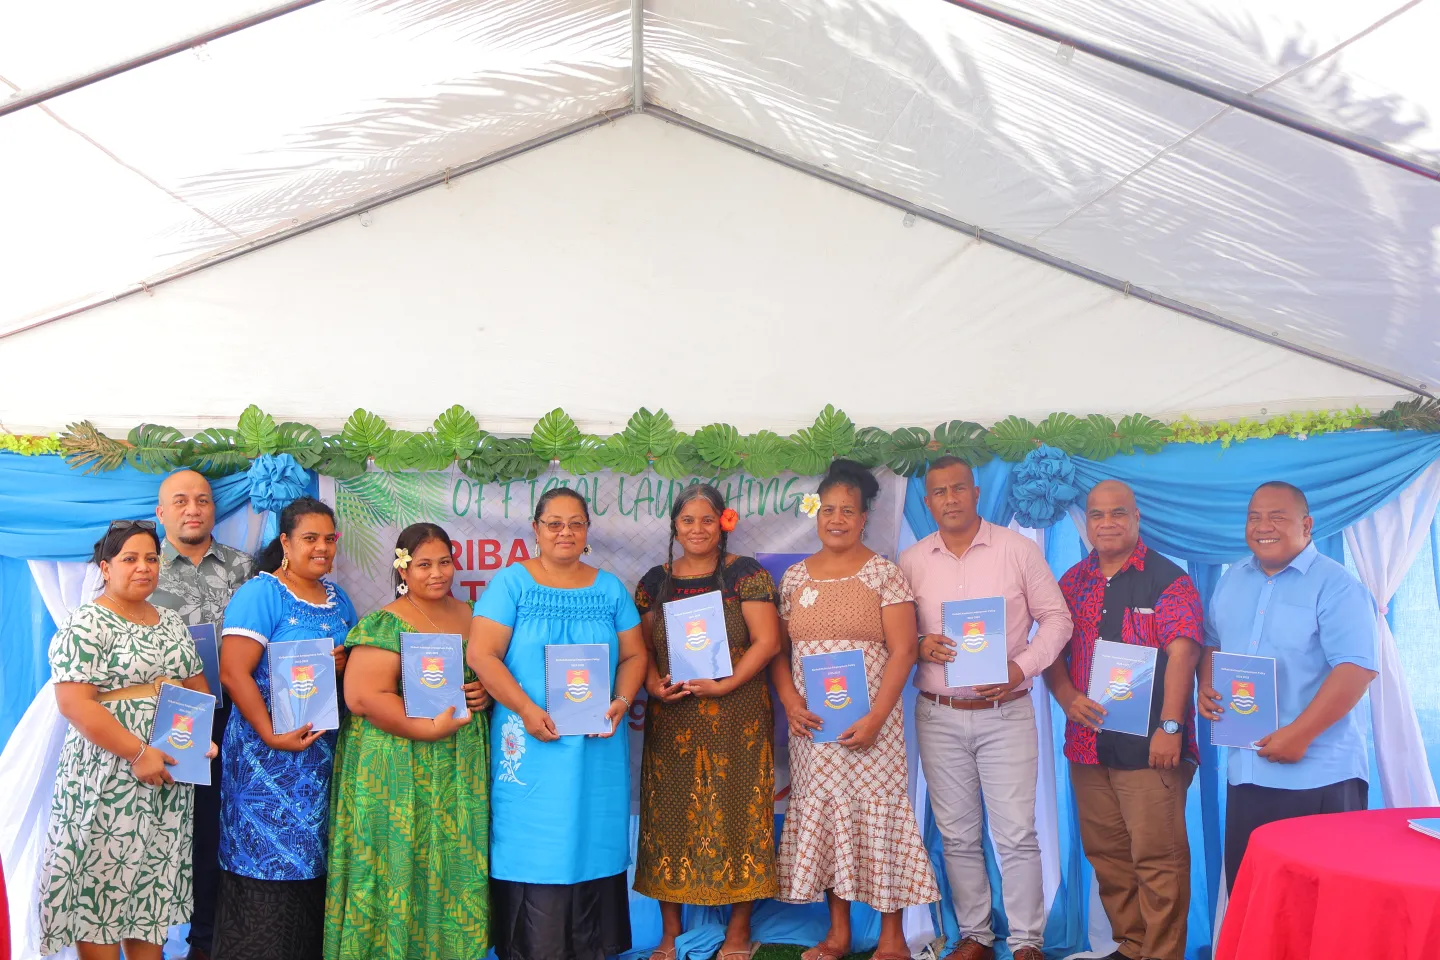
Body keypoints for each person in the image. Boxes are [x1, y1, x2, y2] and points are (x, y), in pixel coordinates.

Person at [899, 457, 1071, 960]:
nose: (949, 499)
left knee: (1016, 833)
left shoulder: (1017, 551)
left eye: (958, 489)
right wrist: (918, 641)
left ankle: (1026, 942)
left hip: (1007, 712)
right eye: (938, 492)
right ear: (927, 502)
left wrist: (1020, 669)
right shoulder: (910, 562)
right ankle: (974, 935)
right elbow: (893, 633)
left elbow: (1057, 620)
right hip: (938, 711)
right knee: (956, 834)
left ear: (976, 493)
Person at [467, 487, 648, 960]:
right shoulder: (511, 585)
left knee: (591, 837)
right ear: (536, 528)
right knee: (532, 841)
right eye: (554, 523)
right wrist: (526, 710)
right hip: (531, 742)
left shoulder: (609, 588)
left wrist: (621, 699)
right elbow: (481, 654)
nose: (565, 532)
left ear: (587, 531)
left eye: (575, 523)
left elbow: (634, 654)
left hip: (596, 744)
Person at [771, 459, 938, 960]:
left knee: (879, 821)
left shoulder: (884, 574)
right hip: (814, 731)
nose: (836, 519)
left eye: (847, 510)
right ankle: (837, 935)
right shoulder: (795, 578)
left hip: (875, 728)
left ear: (865, 517)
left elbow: (905, 651)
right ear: (816, 516)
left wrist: (876, 719)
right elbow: (779, 652)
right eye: (827, 510)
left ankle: (892, 939)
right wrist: (790, 700)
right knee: (828, 822)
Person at [37, 520, 218, 959]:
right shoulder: (86, 623)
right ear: (106, 567)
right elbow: (75, 704)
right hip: (107, 779)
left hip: (166, 784)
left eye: (151, 558)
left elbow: (198, 691)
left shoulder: (173, 622)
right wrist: (139, 752)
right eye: (130, 559)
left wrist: (201, 740)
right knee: (99, 895)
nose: (143, 567)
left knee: (148, 899)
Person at [1046, 481, 1203, 960]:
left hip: (1152, 745)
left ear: (1136, 518)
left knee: (1159, 861)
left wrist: (1171, 727)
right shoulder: (1072, 581)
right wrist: (1067, 695)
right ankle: (1132, 947)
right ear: (1086, 522)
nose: (1107, 523)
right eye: (1097, 515)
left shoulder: (1168, 579)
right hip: (1088, 744)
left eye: (1118, 514)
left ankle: (1162, 954)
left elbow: (1185, 652)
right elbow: (1051, 648)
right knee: (1108, 857)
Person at [325, 523, 493, 960]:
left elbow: (494, 675)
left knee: (453, 863)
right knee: (397, 861)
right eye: (423, 565)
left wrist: (486, 692)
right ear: (403, 569)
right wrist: (428, 729)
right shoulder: (385, 622)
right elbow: (361, 696)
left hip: (458, 765)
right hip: (396, 767)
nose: (436, 573)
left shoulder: (478, 615)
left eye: (444, 562)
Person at [1199, 481, 1378, 891]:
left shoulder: (1338, 585)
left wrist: (1300, 735)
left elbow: (1356, 670)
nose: (1264, 526)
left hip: (1319, 775)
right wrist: (1205, 684)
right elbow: (1212, 641)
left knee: (1321, 906)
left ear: (1307, 525)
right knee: (1256, 901)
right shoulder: (1231, 580)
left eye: (1278, 516)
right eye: (1254, 517)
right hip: (1247, 773)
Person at [633, 484, 782, 960]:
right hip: (672, 719)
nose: (697, 529)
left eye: (706, 519)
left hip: (738, 715)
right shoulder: (654, 581)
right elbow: (639, 651)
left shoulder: (747, 575)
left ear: (723, 521)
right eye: (686, 521)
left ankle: (739, 932)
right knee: (668, 819)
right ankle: (670, 935)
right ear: (674, 526)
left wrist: (726, 683)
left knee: (742, 815)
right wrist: (653, 684)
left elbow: (767, 642)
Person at [213, 497, 357, 960]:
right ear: (286, 543)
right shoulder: (262, 594)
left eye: (328, 539)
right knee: (263, 868)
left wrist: (340, 663)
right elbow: (234, 673)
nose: (321, 548)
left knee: (311, 869)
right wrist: (272, 733)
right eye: (309, 538)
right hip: (265, 761)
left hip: (320, 757)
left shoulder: (339, 599)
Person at [150, 469, 254, 960]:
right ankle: (147, 936)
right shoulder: (143, 566)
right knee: (161, 828)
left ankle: (205, 940)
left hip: (231, 716)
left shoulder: (244, 567)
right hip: (162, 717)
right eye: (181, 501)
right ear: (161, 512)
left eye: (203, 500)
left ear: (214, 509)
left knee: (214, 830)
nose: (193, 509)